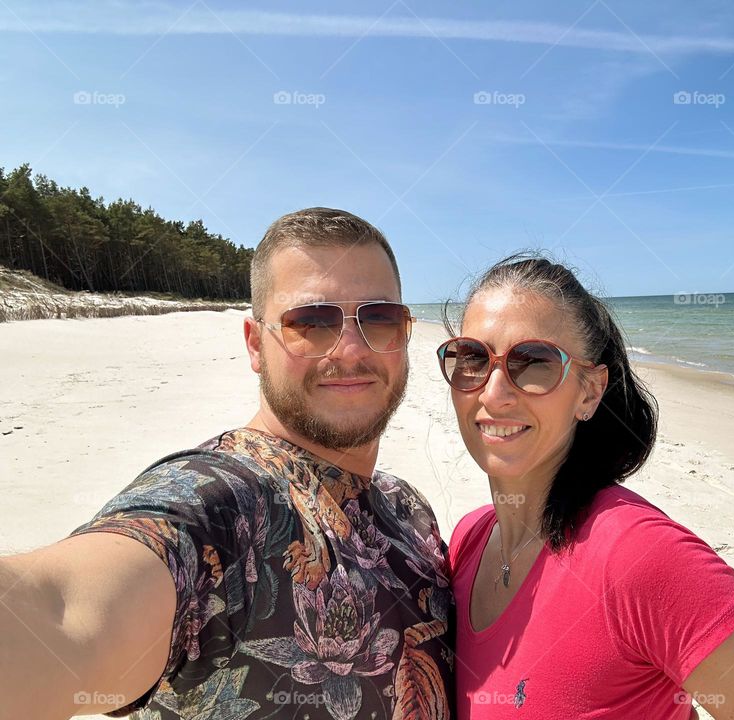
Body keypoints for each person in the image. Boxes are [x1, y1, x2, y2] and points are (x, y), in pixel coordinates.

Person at [0, 208, 454, 719]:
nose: (350, 349)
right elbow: (60, 610)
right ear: (256, 345)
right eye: (311, 322)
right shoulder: (222, 502)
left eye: (378, 318)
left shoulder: (409, 510)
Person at [438, 254, 734, 720]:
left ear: (589, 392)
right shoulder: (469, 541)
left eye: (535, 362)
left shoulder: (637, 556)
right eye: (473, 358)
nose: (494, 392)